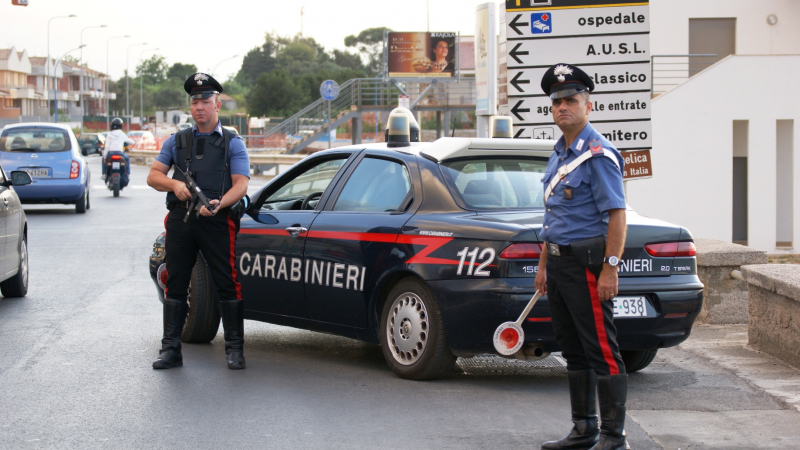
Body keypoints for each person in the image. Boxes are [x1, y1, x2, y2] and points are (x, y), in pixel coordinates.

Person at [535, 64, 628, 450]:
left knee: (602, 350)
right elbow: (553, 217)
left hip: (587, 266)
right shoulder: (559, 154)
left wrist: (610, 269)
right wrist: (543, 266)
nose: (562, 107)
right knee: (572, 349)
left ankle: (613, 437)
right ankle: (583, 429)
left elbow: (617, 216)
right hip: (557, 265)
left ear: (588, 105)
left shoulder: (598, 155)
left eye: (571, 100)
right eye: (557, 102)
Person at [146, 73, 250, 370]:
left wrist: (221, 204)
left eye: (205, 101)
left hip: (217, 218)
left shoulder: (232, 142)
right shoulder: (176, 141)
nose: (199, 106)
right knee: (176, 280)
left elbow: (241, 184)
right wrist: (174, 186)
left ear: (218, 105)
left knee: (227, 281)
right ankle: (170, 349)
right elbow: (153, 176)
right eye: (194, 101)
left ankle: (234, 349)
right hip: (182, 217)